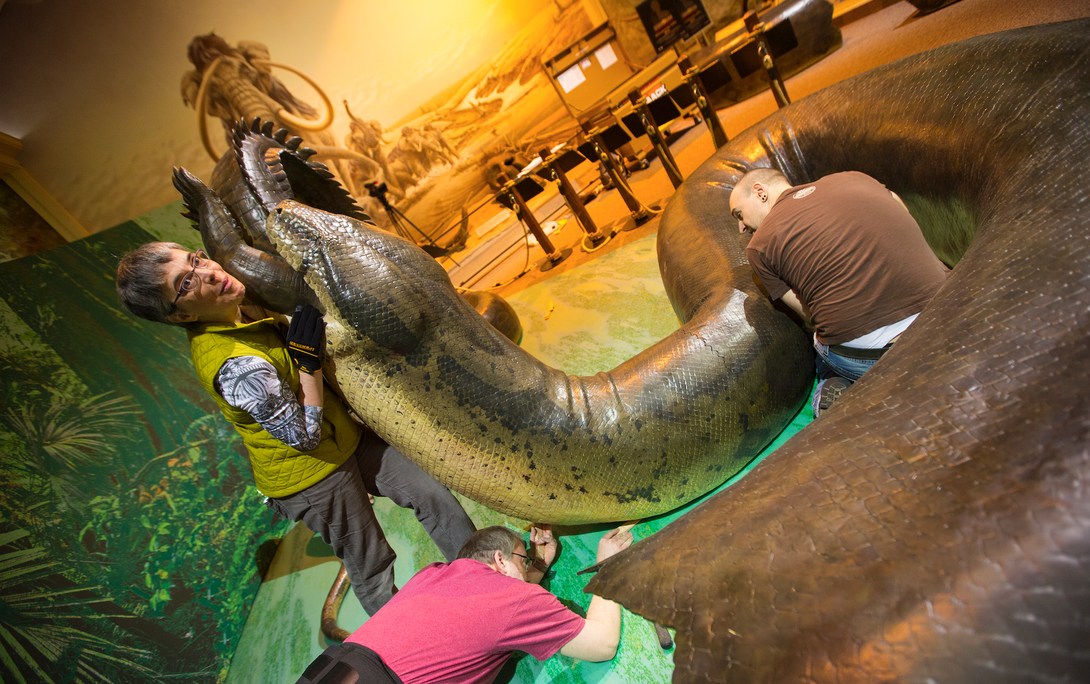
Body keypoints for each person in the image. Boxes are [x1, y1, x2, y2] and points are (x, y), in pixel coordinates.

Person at [115, 242, 476, 616]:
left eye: (196, 259)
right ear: (179, 317)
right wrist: (307, 363)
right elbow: (303, 437)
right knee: (373, 566)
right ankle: (414, 657)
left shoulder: (241, 308)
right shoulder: (235, 366)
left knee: (432, 493)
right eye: (186, 282)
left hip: (344, 440)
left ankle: (491, 583)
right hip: (309, 476)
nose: (206, 271)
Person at [296, 524, 635, 684]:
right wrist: (608, 564)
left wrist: (538, 565)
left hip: (332, 667)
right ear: (501, 560)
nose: (528, 563)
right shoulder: (511, 602)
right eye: (524, 557)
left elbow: (475, 613)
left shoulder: (433, 575)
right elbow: (603, 643)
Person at [729, 169, 949, 415]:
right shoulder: (855, 177)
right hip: (946, 309)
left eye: (739, 214)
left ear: (760, 192)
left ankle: (830, 383)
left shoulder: (758, 248)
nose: (741, 227)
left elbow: (809, 314)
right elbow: (901, 211)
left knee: (820, 344)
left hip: (877, 355)